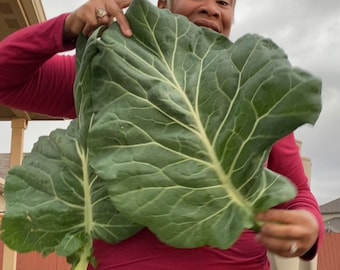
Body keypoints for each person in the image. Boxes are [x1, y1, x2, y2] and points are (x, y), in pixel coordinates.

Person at [0, 0, 324, 269]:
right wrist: (66, 28)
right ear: (163, 4)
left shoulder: (253, 89)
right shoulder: (112, 69)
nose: (212, 8)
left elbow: (299, 196)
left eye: (224, 3)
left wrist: (309, 227)